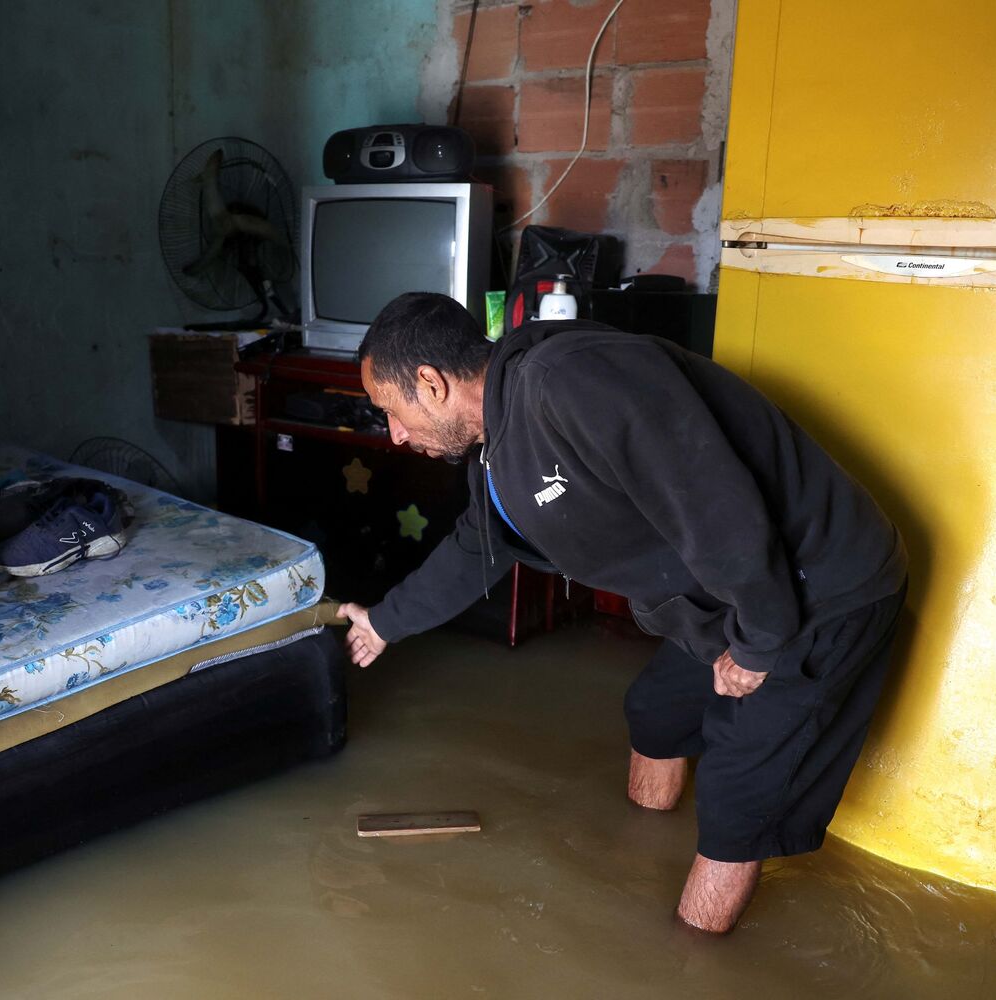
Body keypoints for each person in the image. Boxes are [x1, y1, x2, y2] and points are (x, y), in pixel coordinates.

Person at [337, 291, 908, 934]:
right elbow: (479, 545)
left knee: (736, 801)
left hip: (818, 588)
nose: (394, 434)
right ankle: (636, 867)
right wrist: (385, 622)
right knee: (657, 714)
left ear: (430, 383)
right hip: (731, 592)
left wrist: (758, 644)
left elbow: (715, 509)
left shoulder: (574, 381)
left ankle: (686, 959)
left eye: (390, 411)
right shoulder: (497, 438)